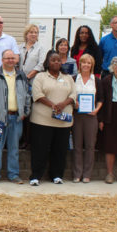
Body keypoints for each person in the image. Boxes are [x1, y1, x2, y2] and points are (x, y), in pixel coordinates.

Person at [29, 51, 76, 185]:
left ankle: (57, 175)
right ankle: (36, 176)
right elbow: (37, 94)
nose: (56, 62)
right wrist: (53, 105)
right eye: (53, 60)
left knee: (60, 150)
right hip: (42, 120)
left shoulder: (68, 78)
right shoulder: (40, 77)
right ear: (47, 63)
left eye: (58, 60)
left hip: (63, 122)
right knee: (40, 149)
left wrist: (63, 104)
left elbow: (74, 94)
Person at [0, 48, 30, 184]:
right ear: (2, 60)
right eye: (7, 58)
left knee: (14, 148)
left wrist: (24, 113)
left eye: (12, 58)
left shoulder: (21, 75)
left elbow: (27, 95)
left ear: (16, 60)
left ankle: (13, 174)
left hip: (16, 118)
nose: (10, 60)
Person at [71, 54, 103, 182]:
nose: (86, 65)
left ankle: (87, 174)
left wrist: (97, 109)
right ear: (80, 64)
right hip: (77, 115)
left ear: (92, 65)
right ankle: (77, 173)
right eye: (83, 62)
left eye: (89, 63)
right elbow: (70, 95)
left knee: (90, 145)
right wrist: (74, 102)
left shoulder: (96, 80)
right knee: (77, 145)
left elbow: (101, 98)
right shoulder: (74, 79)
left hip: (91, 116)